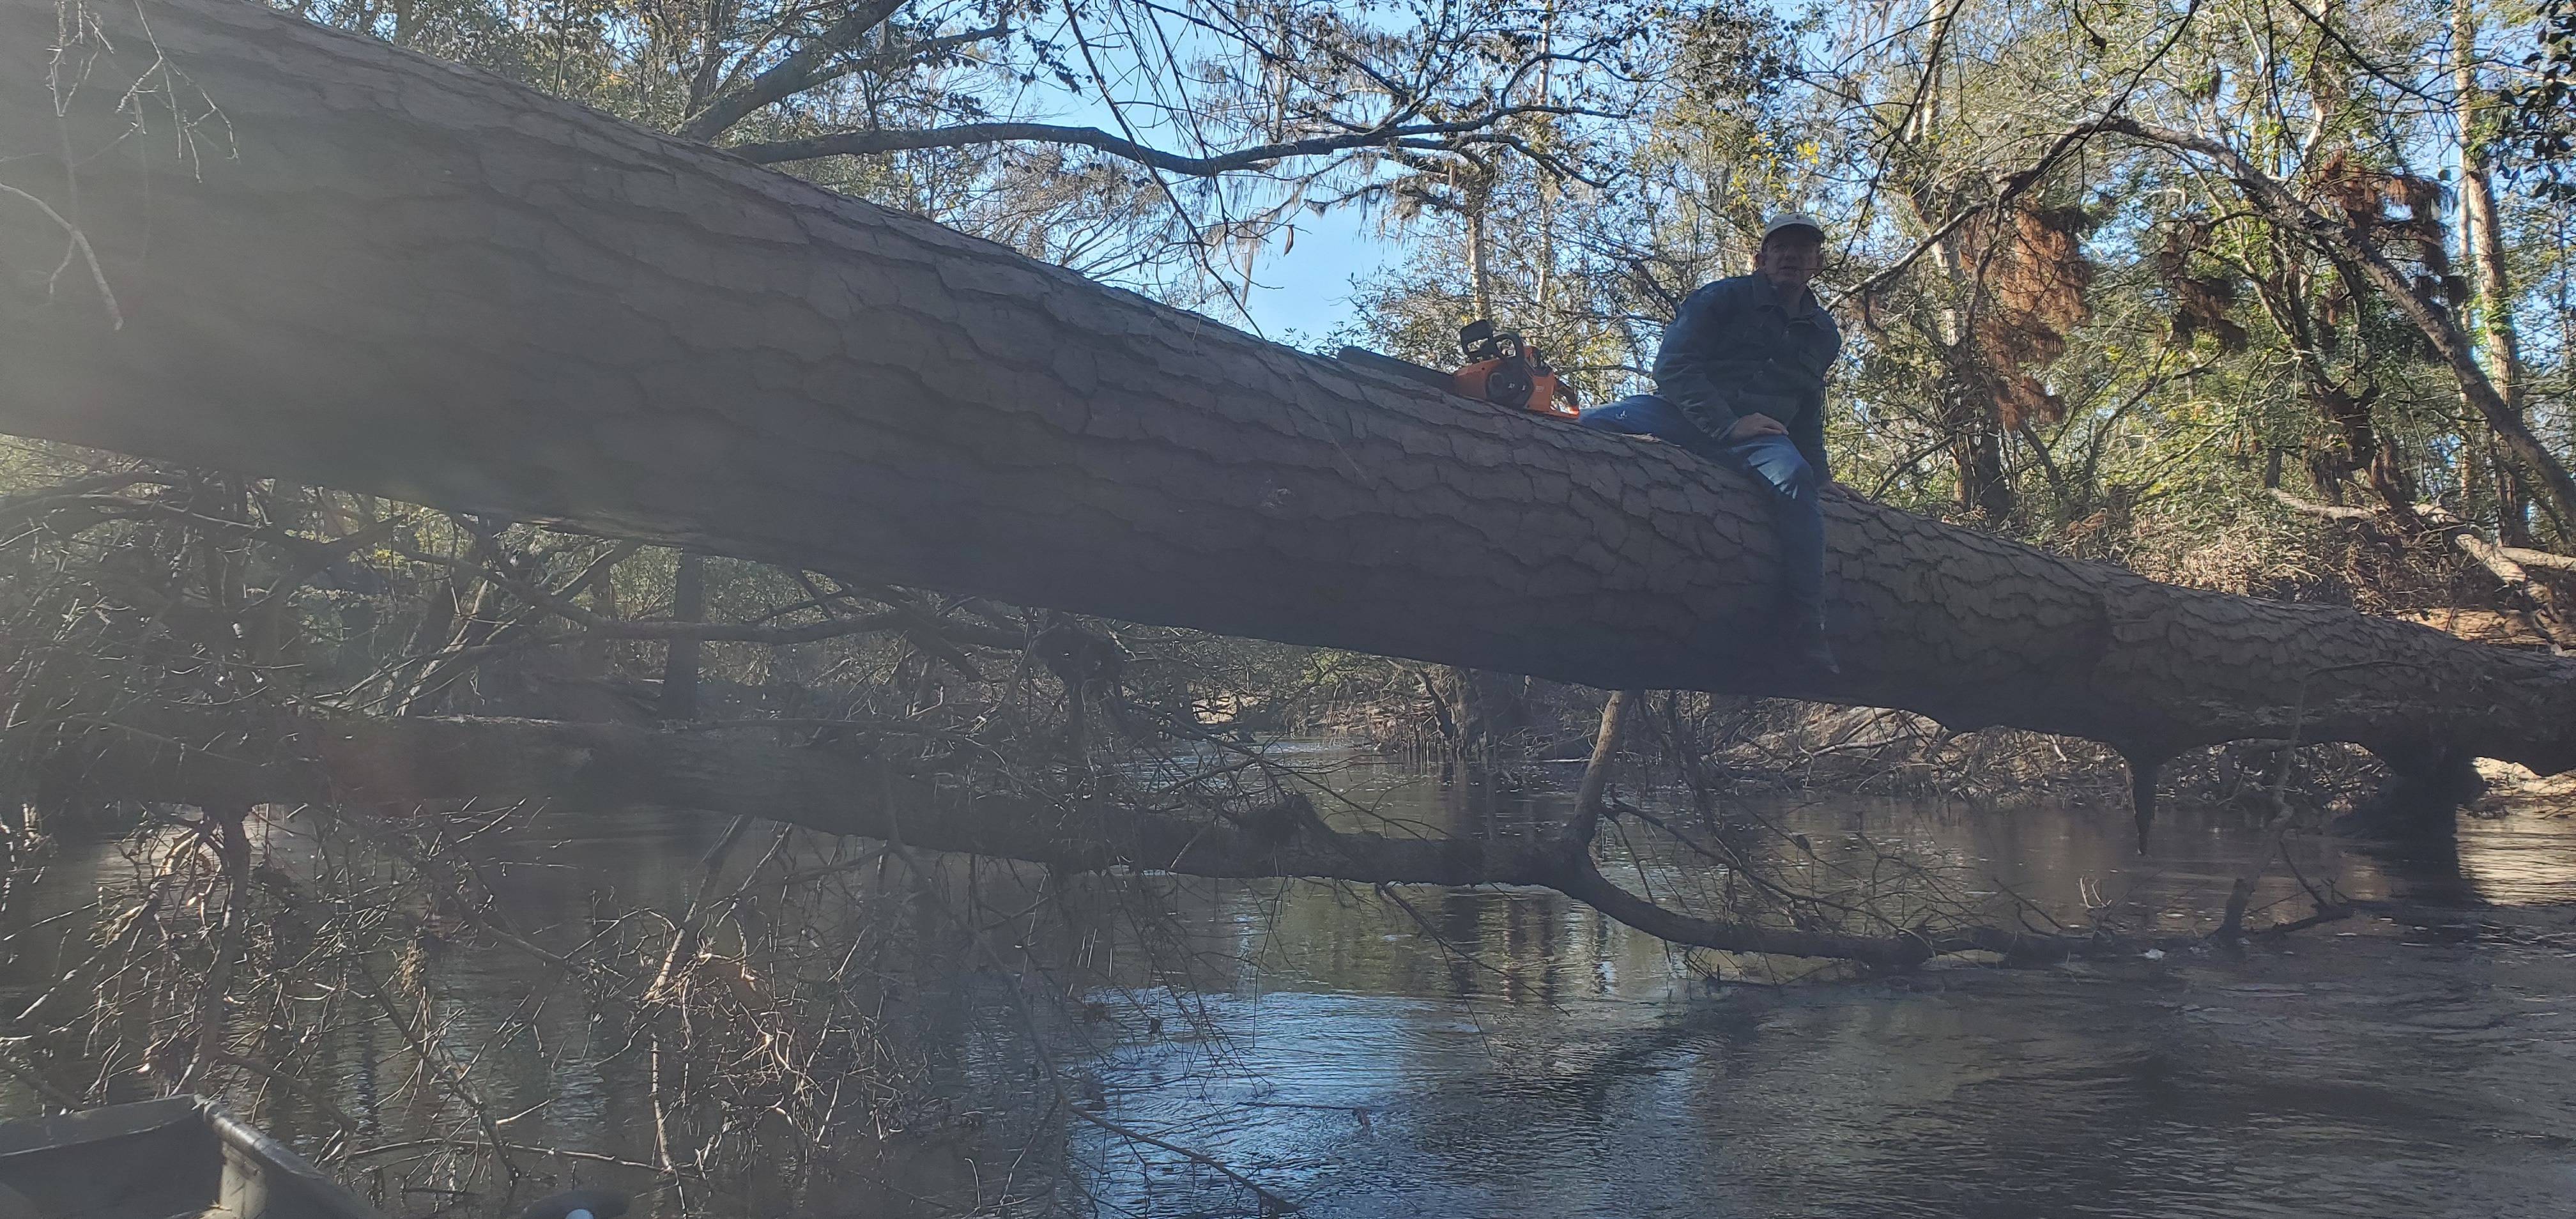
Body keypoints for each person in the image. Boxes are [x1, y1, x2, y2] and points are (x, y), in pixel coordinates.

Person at [1578, 212, 1846, 673]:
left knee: (1796, 479)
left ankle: (1806, 623)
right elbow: (1674, 368)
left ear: (1817, 262)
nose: (1791, 257)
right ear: (1760, 258)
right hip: (1684, 416)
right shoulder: (1719, 299)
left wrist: (1820, 474)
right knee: (1587, 423)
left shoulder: (1824, 335)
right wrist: (1725, 424)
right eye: (1781, 248)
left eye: (1803, 250)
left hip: (1761, 441)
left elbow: (1807, 409)